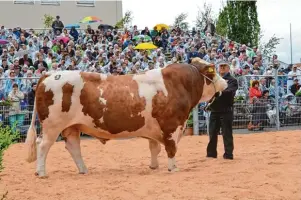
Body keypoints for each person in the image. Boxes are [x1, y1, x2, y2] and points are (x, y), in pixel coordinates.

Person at [205, 62, 238, 160]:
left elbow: (230, 91)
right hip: (215, 110)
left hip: (226, 110)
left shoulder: (232, 80)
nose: (222, 68)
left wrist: (219, 93)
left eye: (224, 66)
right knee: (212, 133)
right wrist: (208, 103)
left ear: (228, 68)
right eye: (220, 66)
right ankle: (211, 153)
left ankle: (228, 154)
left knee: (226, 133)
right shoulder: (214, 79)